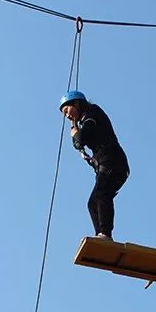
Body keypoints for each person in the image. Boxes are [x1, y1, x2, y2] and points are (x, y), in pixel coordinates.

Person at [59, 89, 129, 240]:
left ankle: (105, 234)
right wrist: (77, 136)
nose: (67, 116)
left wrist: (75, 133)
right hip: (107, 164)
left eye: (67, 110)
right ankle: (101, 235)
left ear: (77, 103)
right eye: (64, 114)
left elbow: (82, 138)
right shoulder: (86, 119)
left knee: (101, 194)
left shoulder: (92, 113)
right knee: (92, 203)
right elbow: (81, 142)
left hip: (113, 162)